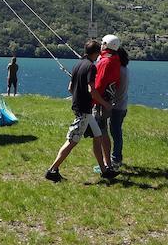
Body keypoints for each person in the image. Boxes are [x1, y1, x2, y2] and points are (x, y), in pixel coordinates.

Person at [45, 39, 118, 182]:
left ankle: (104, 171)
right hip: (84, 110)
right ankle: (52, 170)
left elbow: (70, 87)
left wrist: (78, 97)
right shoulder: (91, 67)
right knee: (72, 141)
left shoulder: (78, 64)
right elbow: (92, 89)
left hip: (83, 109)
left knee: (98, 136)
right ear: (97, 53)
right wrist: (105, 103)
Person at [91, 34, 123, 174]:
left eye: (102, 43)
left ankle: (106, 165)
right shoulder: (115, 60)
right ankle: (107, 163)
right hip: (108, 101)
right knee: (103, 132)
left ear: (106, 45)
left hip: (100, 103)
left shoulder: (105, 62)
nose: (100, 46)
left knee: (100, 133)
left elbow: (98, 85)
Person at [109, 46, 130, 170]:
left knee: (116, 134)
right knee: (117, 132)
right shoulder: (125, 69)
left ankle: (116, 159)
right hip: (123, 106)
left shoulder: (119, 70)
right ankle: (116, 158)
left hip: (117, 107)